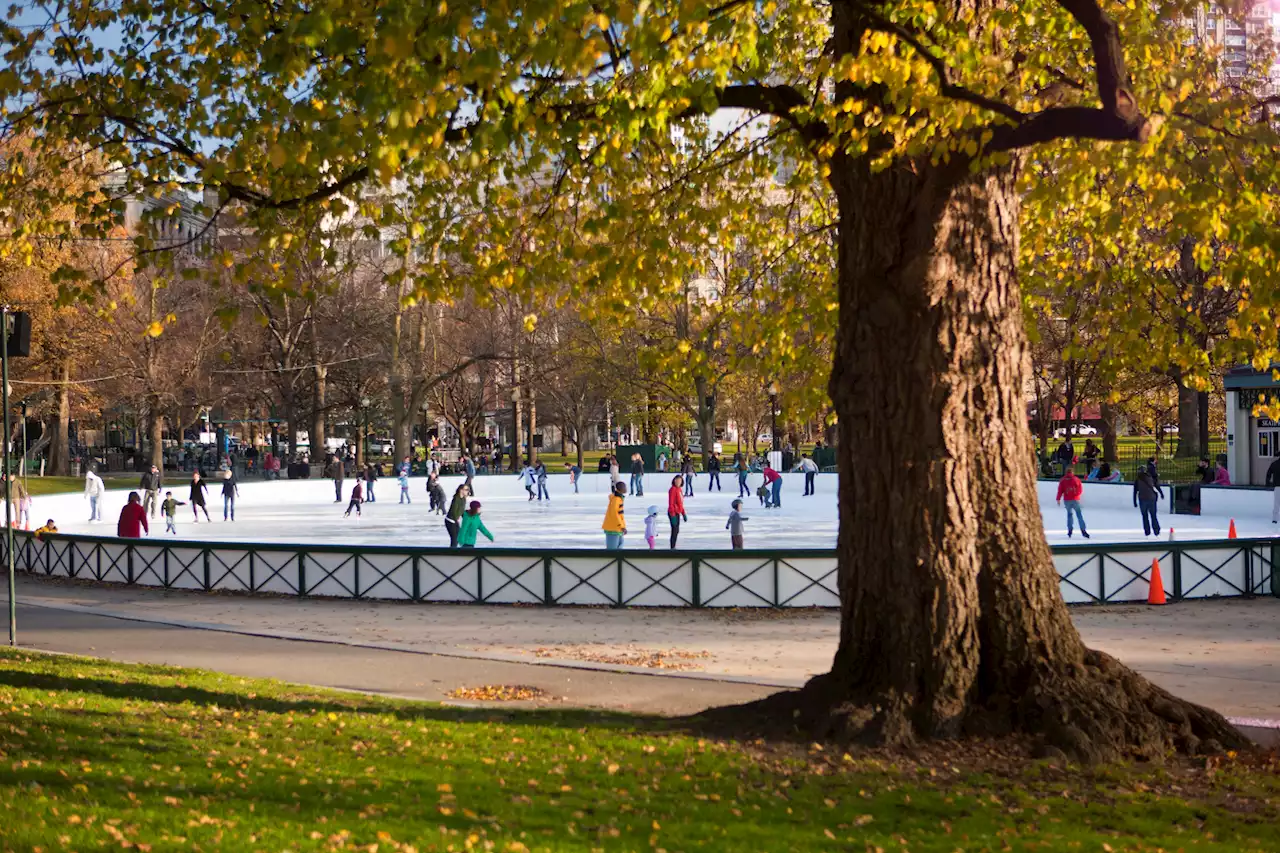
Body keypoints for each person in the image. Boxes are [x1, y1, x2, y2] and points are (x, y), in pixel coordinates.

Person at [1055, 466, 1089, 539]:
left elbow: (1060, 490)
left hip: (1067, 500)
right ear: (1072, 472)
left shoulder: (1063, 480)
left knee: (1069, 515)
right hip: (1075, 500)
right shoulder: (1076, 479)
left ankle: (1070, 529)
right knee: (1079, 515)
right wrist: (1077, 495)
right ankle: (1083, 530)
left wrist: (1058, 499)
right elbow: (1080, 490)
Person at [1133, 467, 1164, 537]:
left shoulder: (1137, 480)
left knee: (1145, 516)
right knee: (1153, 515)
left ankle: (1147, 531)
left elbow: (1135, 491)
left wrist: (1134, 502)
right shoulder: (1150, 477)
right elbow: (1157, 486)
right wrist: (1161, 494)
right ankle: (1156, 530)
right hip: (1152, 499)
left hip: (1142, 499)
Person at [602, 481, 627, 550]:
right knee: (612, 549)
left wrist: (623, 526)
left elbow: (620, 515)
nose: (625, 488)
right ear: (619, 489)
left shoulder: (619, 499)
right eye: (624, 487)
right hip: (613, 528)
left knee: (620, 546)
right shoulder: (616, 499)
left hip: (617, 528)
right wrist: (621, 526)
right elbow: (615, 514)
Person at [667, 475, 687, 549]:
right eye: (677, 480)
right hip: (673, 513)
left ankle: (673, 546)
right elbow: (671, 503)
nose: (678, 482)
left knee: (676, 530)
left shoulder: (679, 490)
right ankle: (672, 547)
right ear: (674, 481)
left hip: (677, 512)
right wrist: (672, 515)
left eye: (680, 481)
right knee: (674, 530)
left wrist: (683, 513)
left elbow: (680, 503)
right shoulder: (673, 489)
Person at [1268, 455, 1280, 524]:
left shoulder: (1274, 464)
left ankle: (1275, 519)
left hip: (1277, 486)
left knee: (1276, 503)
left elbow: (1269, 473)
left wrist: (1268, 482)